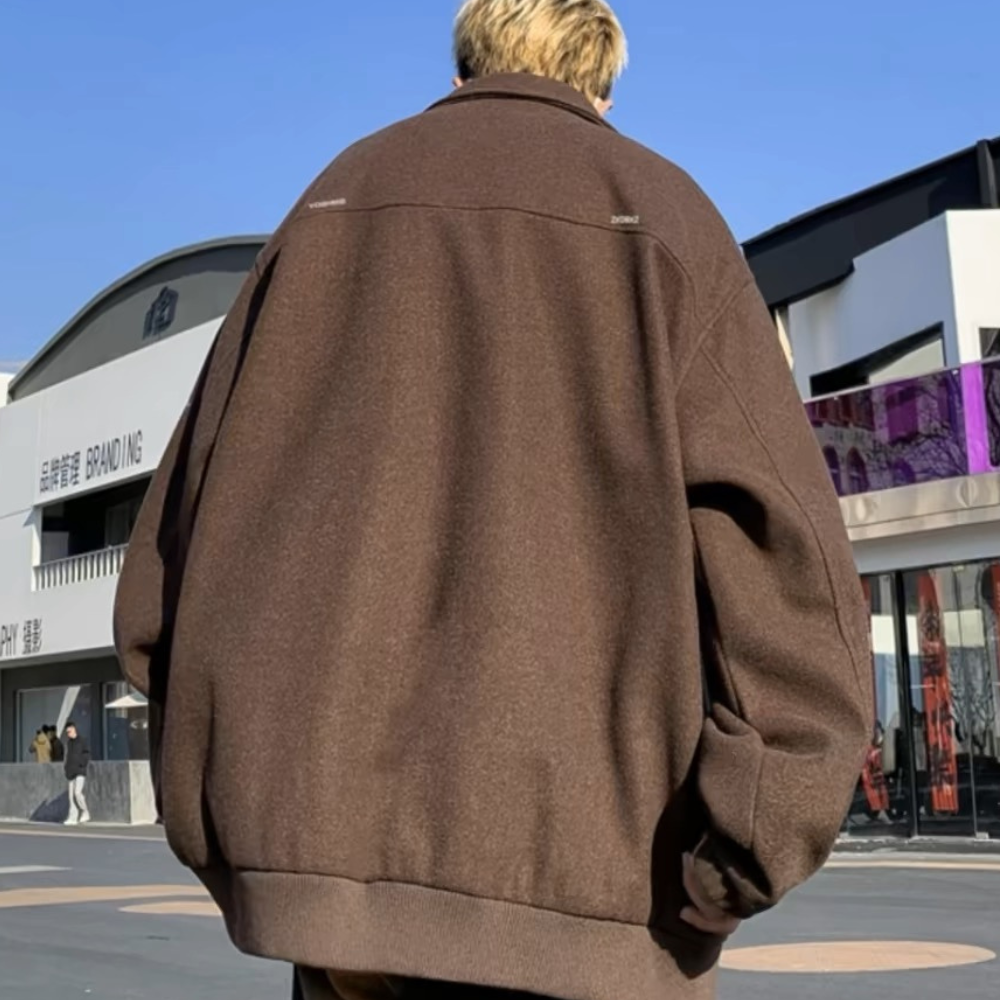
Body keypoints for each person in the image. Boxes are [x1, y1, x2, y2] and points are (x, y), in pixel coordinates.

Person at [114, 1, 873, 997]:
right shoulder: (662, 214)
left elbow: (166, 575)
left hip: (341, 920)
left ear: (462, 69)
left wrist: (240, 824)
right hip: (596, 900)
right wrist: (746, 845)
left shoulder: (329, 207)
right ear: (601, 90)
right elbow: (785, 561)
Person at [63, 721, 91, 825]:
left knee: (77, 793)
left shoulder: (82, 741)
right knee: (71, 797)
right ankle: (72, 817)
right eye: (67, 732)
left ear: (74, 729)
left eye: (69, 731)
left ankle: (85, 811)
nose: (68, 734)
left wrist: (81, 763)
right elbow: (68, 756)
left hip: (80, 771)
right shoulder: (69, 743)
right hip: (71, 771)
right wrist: (66, 768)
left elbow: (87, 753)